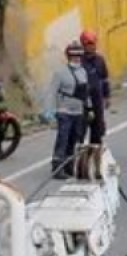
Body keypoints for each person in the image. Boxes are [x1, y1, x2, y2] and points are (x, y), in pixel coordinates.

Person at [43, 40, 90, 179]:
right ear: (68, 56)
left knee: (73, 140)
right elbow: (51, 92)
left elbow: (85, 92)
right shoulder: (60, 72)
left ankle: (69, 166)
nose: (76, 58)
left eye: (79, 56)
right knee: (62, 139)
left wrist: (89, 107)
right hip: (64, 111)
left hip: (78, 111)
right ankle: (57, 167)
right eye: (73, 56)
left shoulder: (83, 71)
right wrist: (49, 112)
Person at [79, 30, 110, 145]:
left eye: (93, 44)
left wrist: (107, 97)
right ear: (83, 45)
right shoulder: (79, 61)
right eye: (88, 44)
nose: (91, 47)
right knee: (80, 132)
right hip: (83, 102)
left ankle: (95, 158)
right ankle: (78, 159)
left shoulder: (100, 60)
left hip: (97, 100)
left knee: (97, 132)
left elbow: (105, 79)